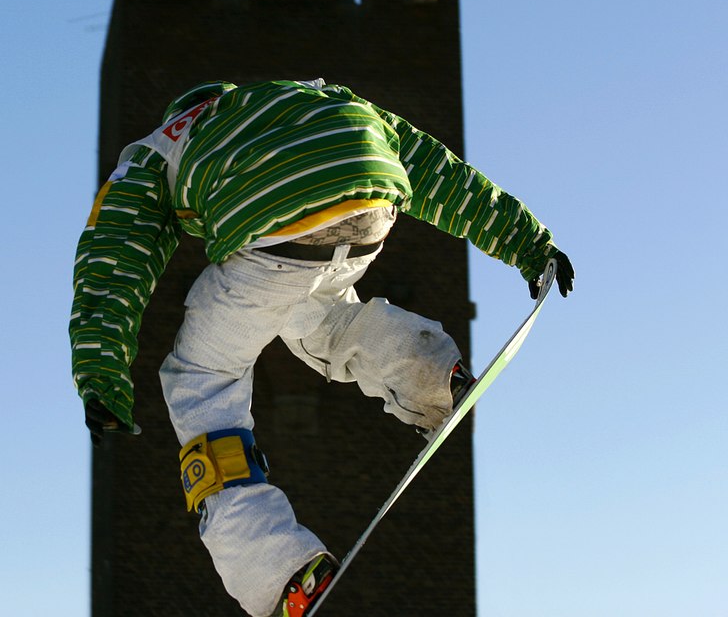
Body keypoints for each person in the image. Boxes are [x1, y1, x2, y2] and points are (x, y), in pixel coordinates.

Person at [71, 78, 574, 617]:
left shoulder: (156, 150)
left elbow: (114, 260)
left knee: (200, 378)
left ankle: (279, 568)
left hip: (272, 227)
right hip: (369, 201)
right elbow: (434, 169)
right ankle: (432, 378)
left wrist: (101, 374)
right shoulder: (310, 94)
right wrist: (527, 241)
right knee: (323, 319)